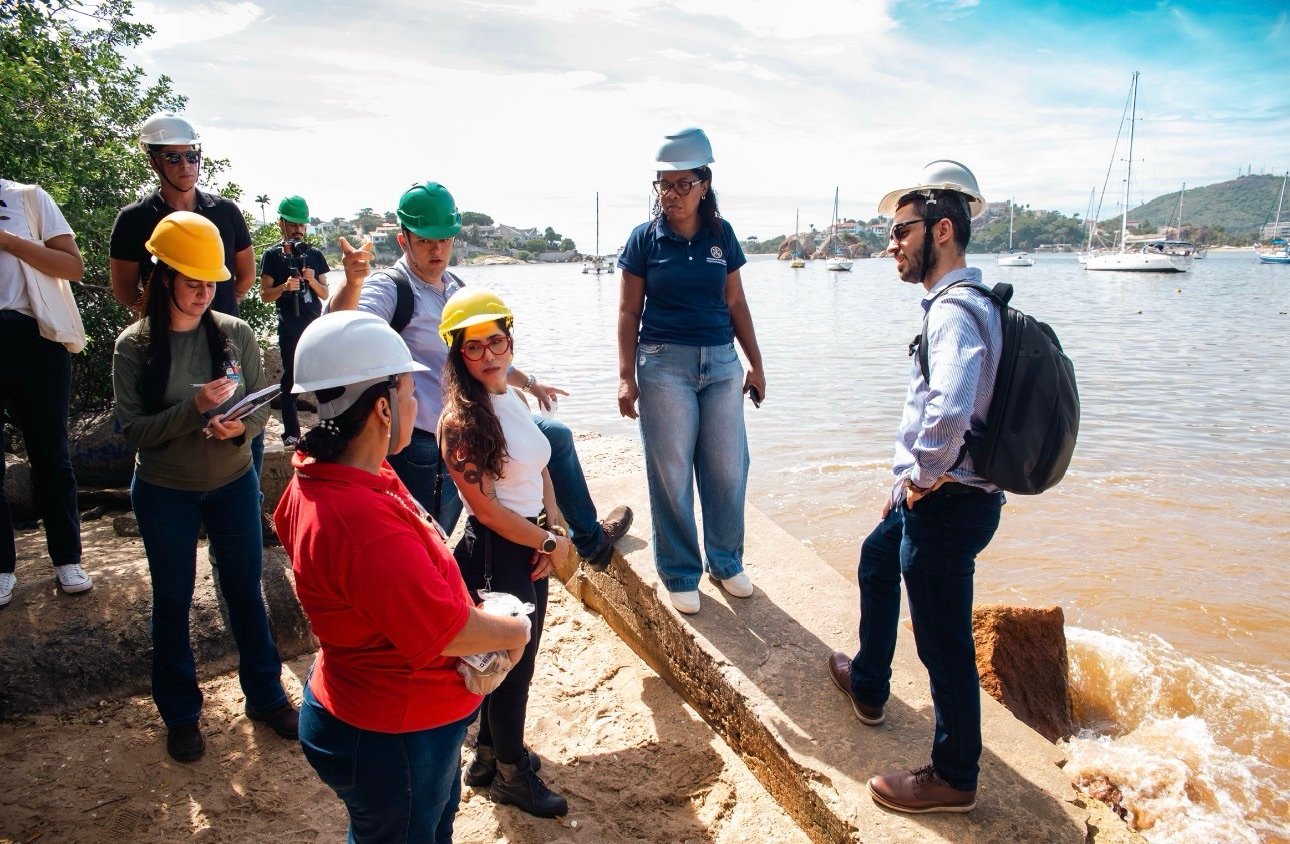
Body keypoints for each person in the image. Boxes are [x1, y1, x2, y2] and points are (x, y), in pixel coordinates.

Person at [275, 310, 530, 843]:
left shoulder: (331, 472)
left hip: (362, 705)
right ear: (383, 407)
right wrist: (515, 633)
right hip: (393, 730)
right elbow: (449, 631)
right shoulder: (360, 523)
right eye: (414, 389)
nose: (422, 405)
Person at [331, 181, 631, 568]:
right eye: (425, 240)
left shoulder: (455, 287)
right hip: (429, 435)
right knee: (428, 534)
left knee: (555, 436)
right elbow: (337, 333)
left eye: (444, 239)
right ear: (404, 240)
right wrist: (353, 283)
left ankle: (590, 543)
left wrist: (529, 382)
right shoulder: (391, 287)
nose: (437, 249)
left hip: (482, 414)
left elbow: (485, 351)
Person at [827, 160, 1003, 814]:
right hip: (945, 491)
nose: (891, 243)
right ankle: (870, 685)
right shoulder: (973, 303)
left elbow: (952, 411)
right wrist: (908, 481)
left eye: (902, 230)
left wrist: (923, 479)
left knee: (944, 643)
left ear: (944, 230)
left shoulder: (954, 312)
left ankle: (955, 775)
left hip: (950, 500)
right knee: (877, 558)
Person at [112, 211, 297, 763]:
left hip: (232, 483)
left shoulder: (236, 333)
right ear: (163, 276)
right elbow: (134, 432)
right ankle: (181, 713)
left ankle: (265, 696)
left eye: (211, 281)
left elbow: (263, 406)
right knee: (172, 600)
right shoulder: (134, 345)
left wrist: (243, 426)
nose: (203, 291)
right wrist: (193, 410)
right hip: (165, 490)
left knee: (246, 590)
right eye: (192, 281)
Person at [616, 127, 766, 615]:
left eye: (683, 184)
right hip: (663, 364)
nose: (672, 194)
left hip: (722, 363)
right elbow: (627, 312)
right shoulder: (644, 240)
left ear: (704, 184)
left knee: (727, 467)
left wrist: (756, 365)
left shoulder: (722, 236)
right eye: (664, 183)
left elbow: (736, 301)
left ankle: (725, 562)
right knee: (672, 469)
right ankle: (681, 571)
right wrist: (625, 375)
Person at [108, 112, 275, 545]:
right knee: (172, 445)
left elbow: (241, 278)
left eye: (192, 155)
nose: (185, 165)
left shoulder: (226, 212)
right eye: (174, 157)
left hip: (222, 343)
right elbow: (126, 289)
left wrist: (209, 312)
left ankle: (241, 537)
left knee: (243, 437)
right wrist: (168, 324)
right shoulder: (133, 220)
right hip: (166, 349)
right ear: (154, 161)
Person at [438, 287, 572, 819]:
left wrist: (553, 523)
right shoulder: (459, 424)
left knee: (515, 660)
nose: (490, 355)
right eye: (475, 348)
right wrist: (547, 543)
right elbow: (488, 511)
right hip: (495, 551)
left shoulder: (507, 394)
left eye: (497, 341)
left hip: (530, 541)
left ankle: (490, 757)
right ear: (458, 356)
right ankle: (513, 777)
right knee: (511, 667)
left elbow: (540, 465)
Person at [0, 177, 92, 606]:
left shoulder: (27, 198)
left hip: (35, 335)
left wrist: (9, 242)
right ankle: (2, 567)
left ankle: (67, 558)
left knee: (51, 455)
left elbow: (72, 266)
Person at [258, 195, 330, 449]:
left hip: (315, 328)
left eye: (302, 224)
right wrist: (284, 287)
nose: (299, 230)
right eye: (293, 224)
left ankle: (328, 430)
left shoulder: (314, 254)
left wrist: (311, 280)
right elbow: (265, 295)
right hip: (289, 328)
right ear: (282, 224)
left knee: (323, 380)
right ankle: (291, 433)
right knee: (290, 381)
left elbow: (325, 294)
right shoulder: (272, 256)